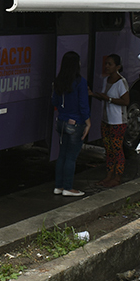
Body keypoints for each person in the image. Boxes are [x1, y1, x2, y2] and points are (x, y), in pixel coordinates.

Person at [51, 51, 90, 197]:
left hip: (61, 121)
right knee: (71, 157)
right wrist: (88, 122)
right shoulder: (80, 82)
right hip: (75, 122)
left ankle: (59, 186)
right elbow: (83, 105)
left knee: (62, 155)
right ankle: (68, 187)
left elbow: (54, 101)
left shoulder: (59, 81)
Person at [89, 54, 129, 188]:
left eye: (110, 64)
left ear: (117, 67)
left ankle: (117, 177)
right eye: (106, 63)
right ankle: (109, 175)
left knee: (117, 149)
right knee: (108, 149)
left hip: (117, 121)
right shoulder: (106, 80)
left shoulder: (121, 82)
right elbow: (104, 97)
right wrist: (94, 95)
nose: (107, 66)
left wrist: (109, 99)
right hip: (106, 120)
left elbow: (126, 101)